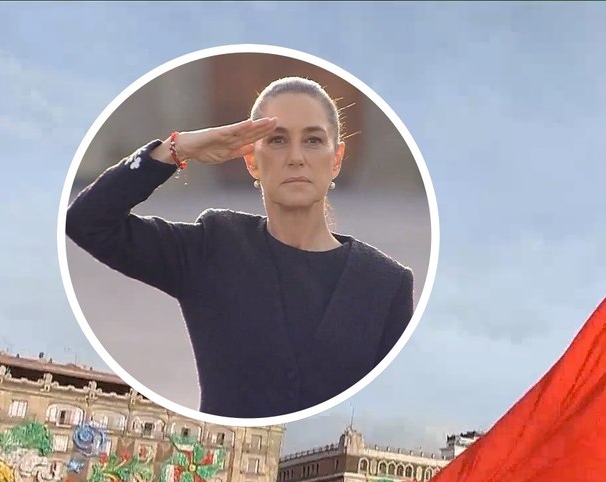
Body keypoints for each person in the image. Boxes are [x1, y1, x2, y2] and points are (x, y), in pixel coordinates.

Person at [65, 77, 416, 419]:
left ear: (336, 159)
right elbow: (87, 221)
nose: (296, 158)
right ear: (251, 160)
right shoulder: (213, 246)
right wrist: (177, 149)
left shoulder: (387, 285)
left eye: (312, 140)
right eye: (277, 140)